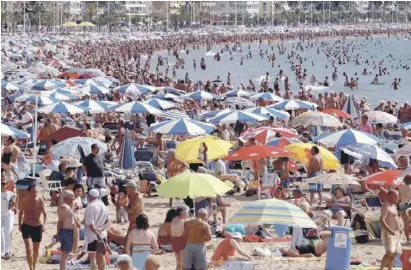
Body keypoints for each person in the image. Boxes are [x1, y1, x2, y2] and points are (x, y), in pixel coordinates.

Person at [18, 184, 47, 270]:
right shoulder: (24, 201)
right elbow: (20, 213)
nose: (35, 193)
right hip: (26, 226)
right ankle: (30, 268)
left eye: (36, 192)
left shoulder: (40, 201)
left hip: (37, 226)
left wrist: (44, 225)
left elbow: (45, 214)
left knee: (36, 250)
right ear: (28, 192)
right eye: (33, 192)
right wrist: (19, 224)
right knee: (28, 247)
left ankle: (34, 267)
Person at [83, 189, 110, 270]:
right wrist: (101, 229)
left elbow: (91, 225)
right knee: (101, 257)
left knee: (92, 258)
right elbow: (108, 222)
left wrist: (96, 233)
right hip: (103, 234)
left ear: (90, 196)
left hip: (92, 236)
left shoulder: (90, 207)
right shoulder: (104, 206)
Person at [57, 190, 81, 270]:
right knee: (64, 255)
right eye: (72, 198)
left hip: (68, 231)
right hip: (66, 231)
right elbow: (60, 222)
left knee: (65, 255)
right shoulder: (64, 207)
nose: (73, 199)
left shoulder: (67, 207)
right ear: (67, 198)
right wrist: (57, 234)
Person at [380, 190, 402, 270]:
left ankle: (390, 268)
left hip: (396, 233)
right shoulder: (386, 206)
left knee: (394, 253)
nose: (397, 198)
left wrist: (399, 228)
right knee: (389, 252)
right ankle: (381, 268)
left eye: (397, 196)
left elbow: (396, 218)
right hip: (388, 233)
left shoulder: (394, 206)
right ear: (389, 196)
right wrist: (389, 230)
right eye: (395, 196)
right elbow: (382, 220)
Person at [1, 173, 16, 260]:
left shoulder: (11, 193)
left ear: (7, 184)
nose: (3, 185)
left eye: (4, 183)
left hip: (8, 216)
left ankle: (7, 251)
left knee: (8, 232)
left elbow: (14, 201)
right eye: (1, 183)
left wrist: (13, 203)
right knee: (0, 234)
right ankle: (2, 251)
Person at [171, 206, 189, 270]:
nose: (187, 215)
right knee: (182, 264)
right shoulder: (184, 222)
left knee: (178, 263)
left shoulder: (172, 220)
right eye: (187, 213)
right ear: (182, 214)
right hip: (182, 242)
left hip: (174, 242)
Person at [399, 174, 411, 245]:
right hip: (409, 204)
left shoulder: (400, 188)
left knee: (405, 223)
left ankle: (408, 240)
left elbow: (399, 199)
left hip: (402, 205)